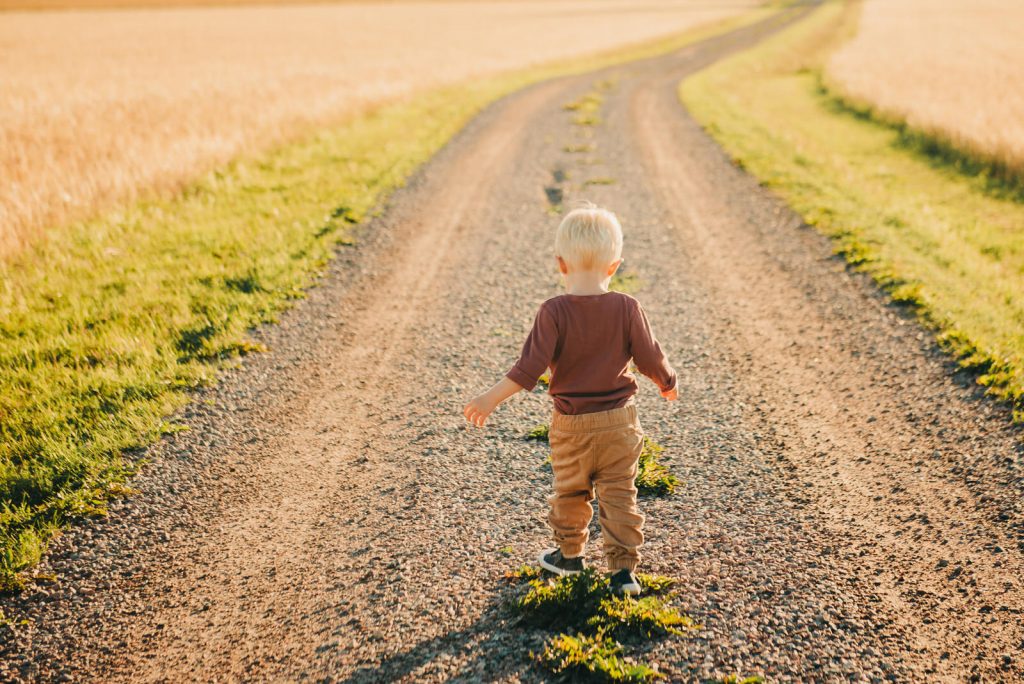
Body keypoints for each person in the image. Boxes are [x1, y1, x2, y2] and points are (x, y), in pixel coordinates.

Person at [463, 203, 677, 595]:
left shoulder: (553, 312)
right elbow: (649, 356)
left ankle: (570, 557)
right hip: (619, 423)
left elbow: (529, 368)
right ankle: (623, 571)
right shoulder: (628, 307)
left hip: (571, 426)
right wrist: (666, 380)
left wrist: (490, 398)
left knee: (570, 491)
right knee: (620, 493)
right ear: (614, 266)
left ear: (561, 264)